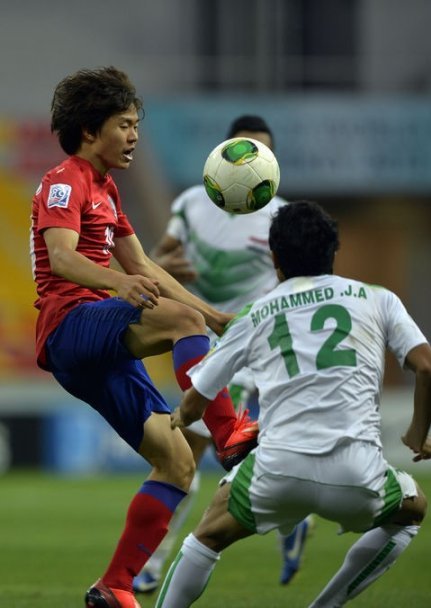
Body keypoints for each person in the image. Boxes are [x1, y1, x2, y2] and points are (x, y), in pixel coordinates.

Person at [30, 66, 258, 608]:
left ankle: (114, 586)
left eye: (137, 124)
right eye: (125, 124)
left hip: (97, 348)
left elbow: (146, 267)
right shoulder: (65, 179)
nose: (135, 135)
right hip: (70, 324)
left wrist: (211, 314)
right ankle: (227, 433)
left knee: (178, 462)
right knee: (180, 323)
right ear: (90, 130)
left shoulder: (107, 190)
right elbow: (62, 257)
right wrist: (120, 283)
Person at [153, 200, 431, 608]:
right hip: (357, 473)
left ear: (274, 258)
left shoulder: (256, 314)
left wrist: (180, 417)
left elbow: (197, 399)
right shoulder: (379, 299)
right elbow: (429, 369)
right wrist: (418, 431)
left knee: (206, 536)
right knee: (413, 510)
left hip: (277, 471)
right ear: (333, 251)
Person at [132, 115, 312, 595]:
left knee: (187, 446)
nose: (253, 159)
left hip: (252, 340)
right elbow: (156, 256)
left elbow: (301, 285)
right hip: (200, 335)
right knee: (214, 449)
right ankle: (293, 515)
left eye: (263, 152)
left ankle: (153, 561)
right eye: (246, 148)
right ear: (226, 152)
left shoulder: (283, 216)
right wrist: (162, 264)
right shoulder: (193, 203)